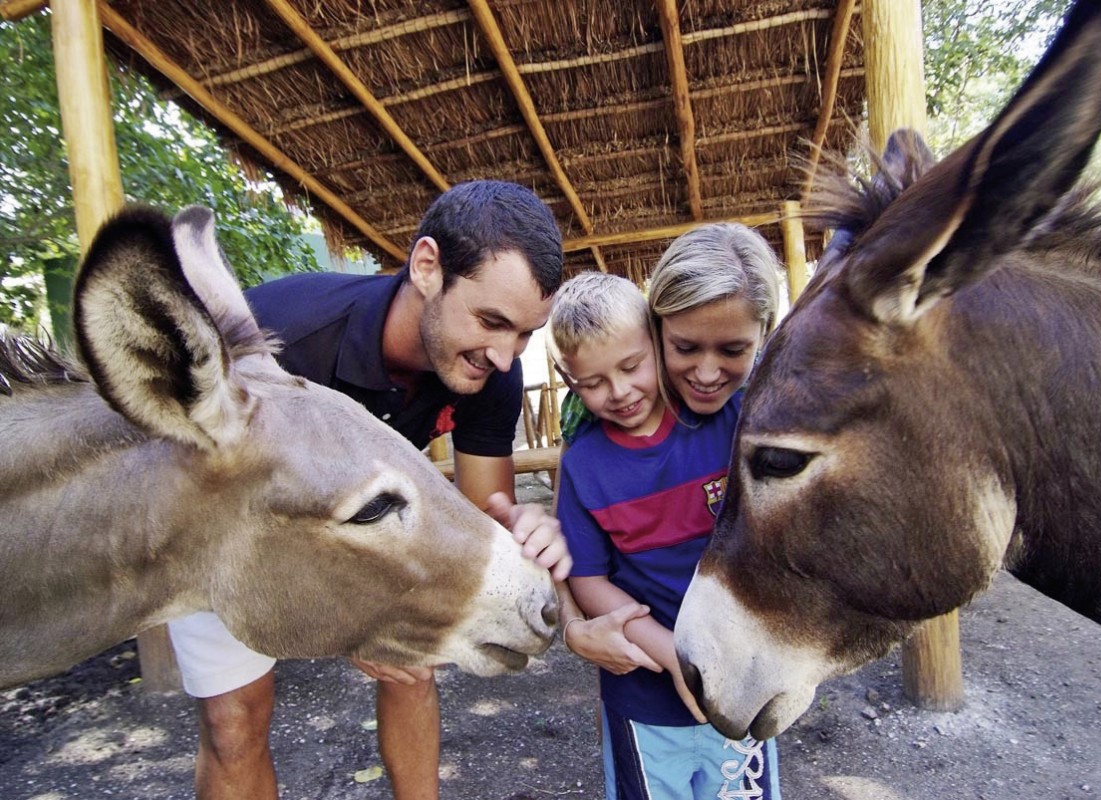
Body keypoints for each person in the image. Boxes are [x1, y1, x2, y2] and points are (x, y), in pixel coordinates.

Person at [167, 180, 572, 800]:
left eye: (523, 334)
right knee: (234, 720)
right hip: (221, 520)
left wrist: (523, 530)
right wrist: (344, 614)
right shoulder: (286, 338)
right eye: (491, 321)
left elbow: (482, 510)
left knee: (413, 667)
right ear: (428, 266)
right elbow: (210, 498)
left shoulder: (494, 371)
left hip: (361, 528)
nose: (503, 354)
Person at [547, 222, 784, 800]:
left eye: (732, 350)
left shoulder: (746, 419)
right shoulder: (585, 460)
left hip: (742, 687)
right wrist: (670, 655)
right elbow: (585, 575)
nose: (706, 373)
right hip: (643, 698)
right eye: (686, 348)